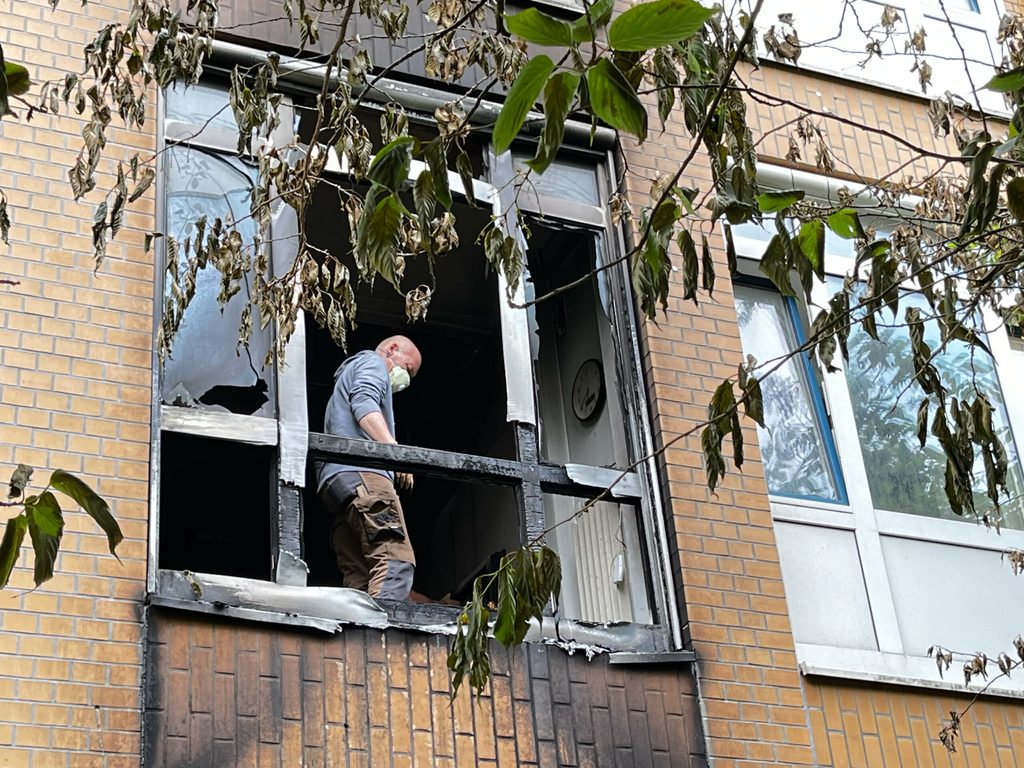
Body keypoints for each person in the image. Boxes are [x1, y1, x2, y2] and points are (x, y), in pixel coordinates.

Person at [316, 335, 422, 600]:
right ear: (393, 349)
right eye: (407, 369)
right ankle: (383, 637)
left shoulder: (345, 378)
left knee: (360, 577)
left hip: (337, 487)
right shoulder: (373, 362)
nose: (406, 380)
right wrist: (394, 452)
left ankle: (358, 636)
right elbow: (364, 404)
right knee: (396, 561)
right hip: (365, 476)